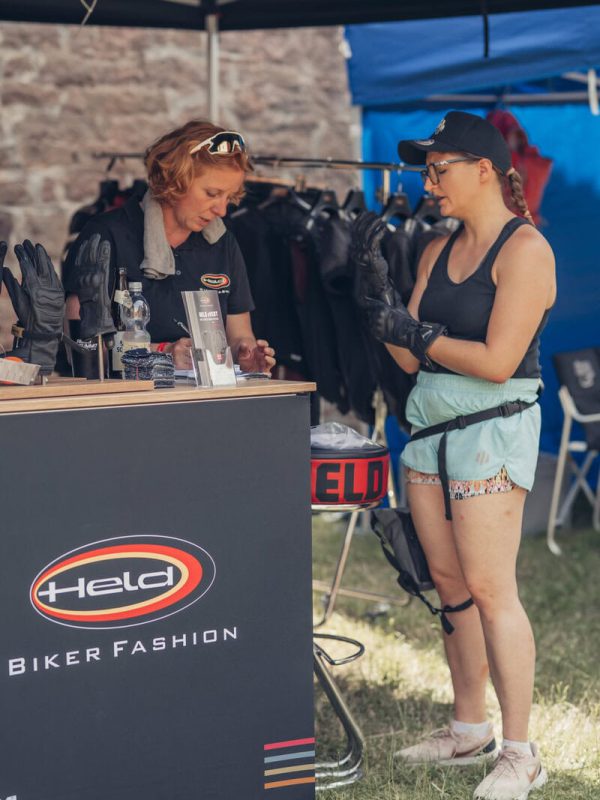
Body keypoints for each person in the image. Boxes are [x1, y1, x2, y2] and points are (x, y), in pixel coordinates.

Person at [354, 111, 556, 800]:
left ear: (483, 170)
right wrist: (379, 301)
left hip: (491, 431)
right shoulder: (437, 250)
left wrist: (417, 332)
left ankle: (521, 754)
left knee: (493, 590)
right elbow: (411, 357)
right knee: (450, 587)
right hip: (429, 431)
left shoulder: (525, 249)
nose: (428, 182)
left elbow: (498, 362)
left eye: (439, 169)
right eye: (426, 171)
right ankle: (469, 730)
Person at [65, 120, 275, 375]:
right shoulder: (105, 235)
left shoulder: (223, 241)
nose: (221, 210)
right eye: (211, 193)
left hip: (206, 396)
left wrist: (246, 355)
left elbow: (239, 334)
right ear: (174, 179)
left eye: (228, 197)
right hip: (126, 397)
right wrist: (162, 353)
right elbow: (80, 344)